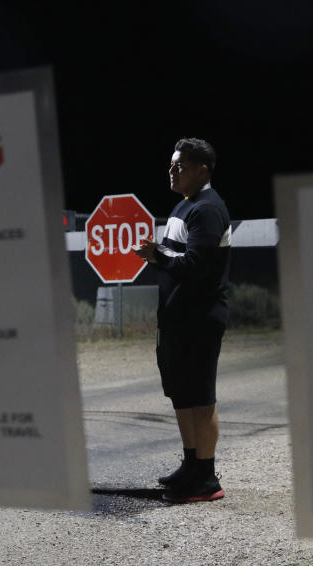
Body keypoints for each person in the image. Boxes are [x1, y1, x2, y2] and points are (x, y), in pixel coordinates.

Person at [133, 137, 231, 503]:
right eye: (171, 164)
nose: (172, 171)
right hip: (177, 317)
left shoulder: (207, 209)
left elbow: (196, 266)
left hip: (200, 318)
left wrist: (158, 257)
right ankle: (191, 465)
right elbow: (179, 255)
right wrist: (158, 252)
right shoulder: (184, 206)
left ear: (201, 169)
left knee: (201, 398)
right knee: (181, 395)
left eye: (180, 166)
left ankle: (207, 478)